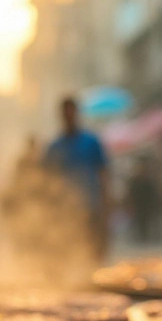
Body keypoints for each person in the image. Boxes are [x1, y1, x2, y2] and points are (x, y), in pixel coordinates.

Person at [43, 97, 111, 258]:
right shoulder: (55, 147)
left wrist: (107, 204)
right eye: (65, 113)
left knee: (93, 250)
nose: (69, 116)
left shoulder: (91, 142)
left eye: (71, 112)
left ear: (77, 114)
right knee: (67, 251)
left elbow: (103, 173)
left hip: (90, 206)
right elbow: (46, 182)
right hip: (65, 210)